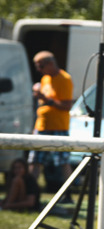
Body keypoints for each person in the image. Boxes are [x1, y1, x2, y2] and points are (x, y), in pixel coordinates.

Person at [28, 51, 74, 188]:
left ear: (50, 63)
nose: (38, 70)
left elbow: (67, 106)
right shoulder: (45, 78)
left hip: (59, 127)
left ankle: (68, 192)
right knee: (35, 160)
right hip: (42, 126)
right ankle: (31, 191)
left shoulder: (64, 79)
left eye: (41, 66)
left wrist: (45, 99)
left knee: (62, 162)